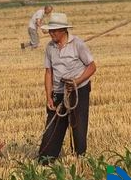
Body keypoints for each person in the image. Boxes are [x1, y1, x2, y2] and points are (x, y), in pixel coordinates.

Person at [38, 13, 96, 164]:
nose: (51, 33)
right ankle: (46, 159)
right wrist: (49, 96)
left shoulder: (77, 44)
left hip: (78, 89)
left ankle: (80, 158)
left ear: (64, 30)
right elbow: (48, 72)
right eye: (50, 31)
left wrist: (77, 81)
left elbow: (92, 66)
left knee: (78, 124)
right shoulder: (50, 47)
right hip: (58, 90)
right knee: (53, 124)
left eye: (54, 31)